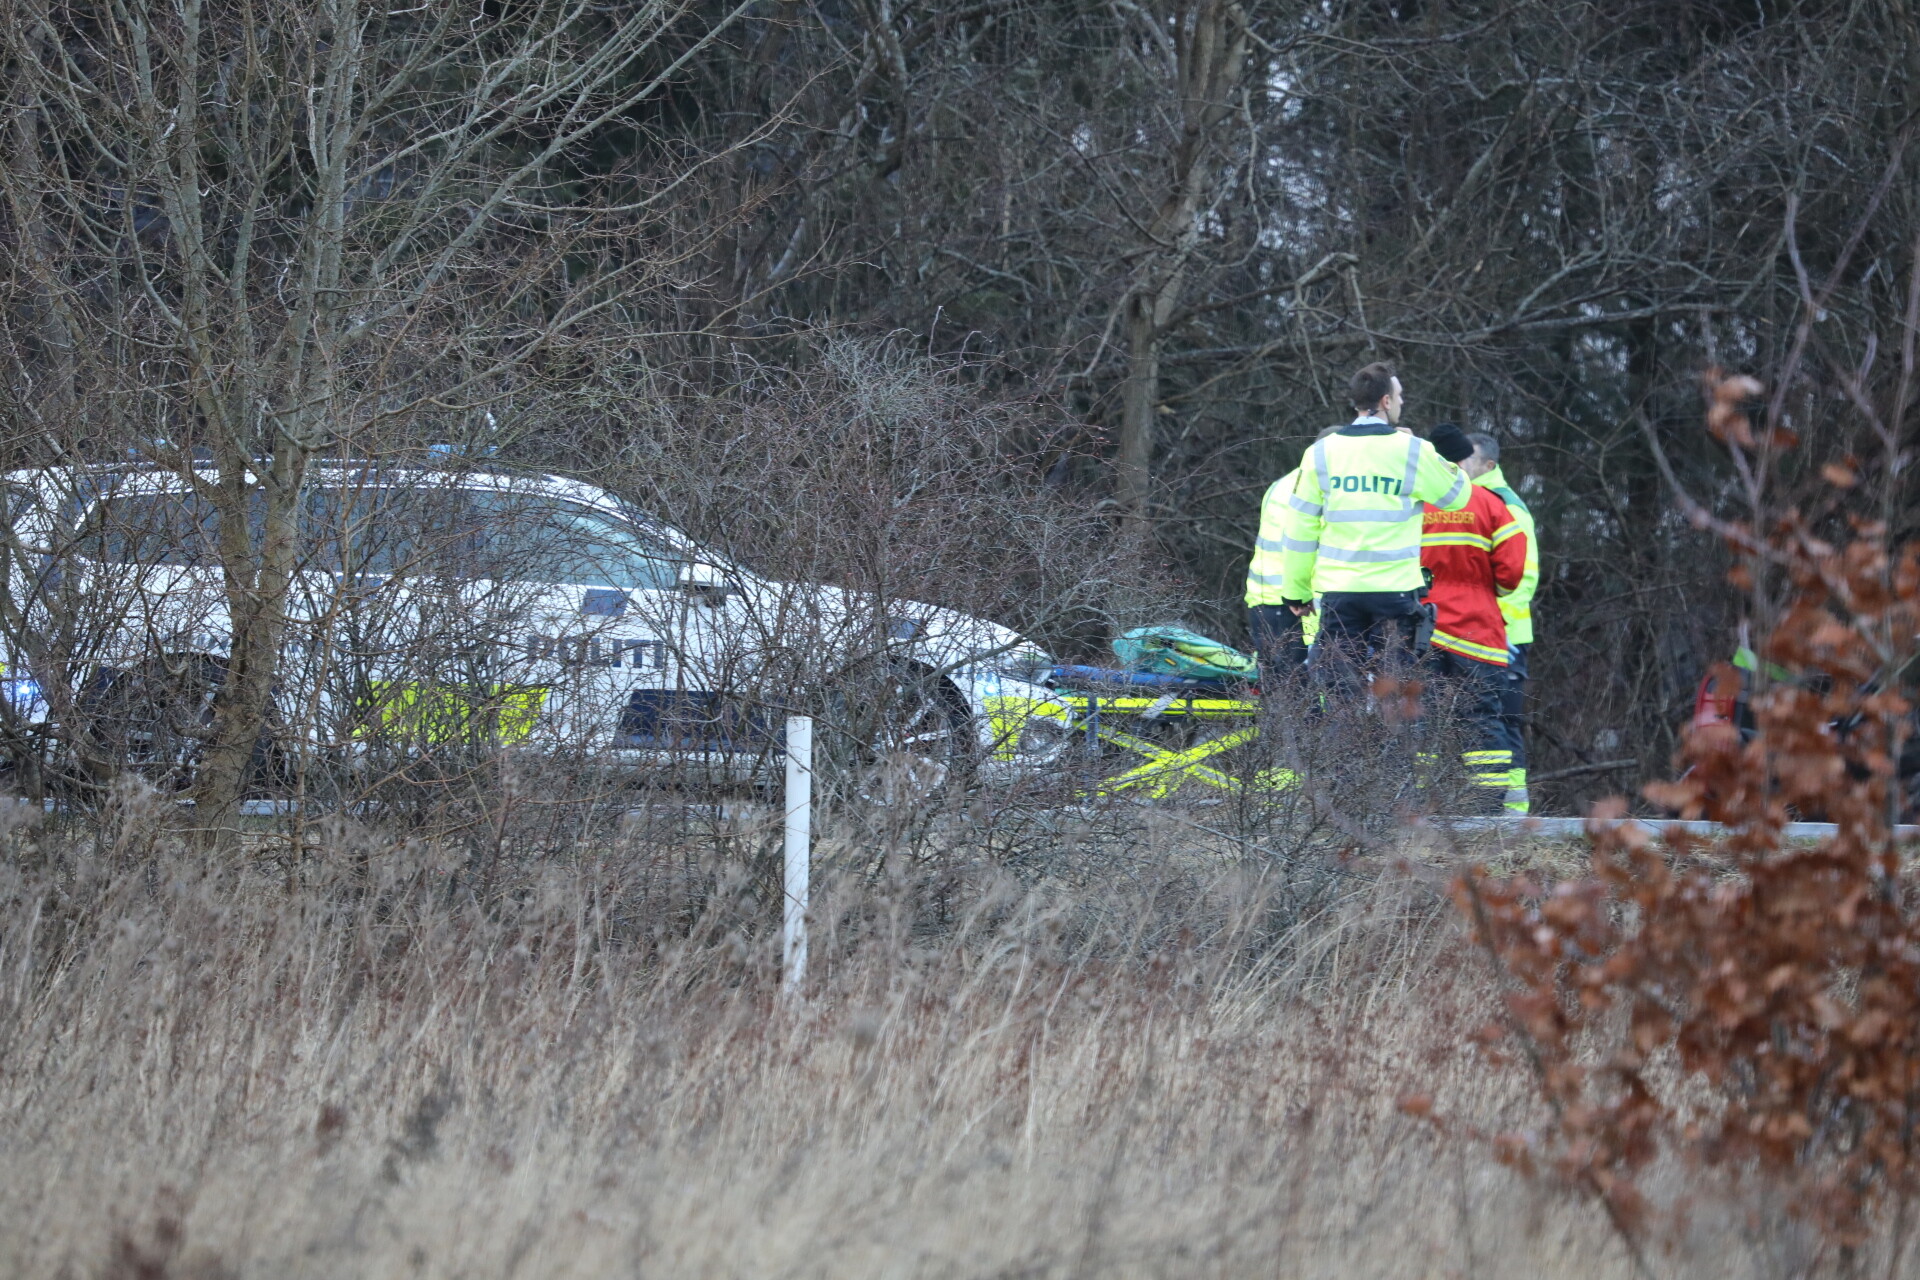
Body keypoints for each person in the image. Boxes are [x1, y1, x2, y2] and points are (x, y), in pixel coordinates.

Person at [1266, 361, 1471, 700]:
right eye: (1399, 396)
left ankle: (1344, 753)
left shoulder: (1320, 453)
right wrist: (1435, 454)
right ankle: (1396, 753)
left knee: (1340, 692)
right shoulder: (1412, 451)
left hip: (1339, 592)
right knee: (1397, 694)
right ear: (1386, 402)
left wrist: (1296, 592)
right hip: (1395, 592)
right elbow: (1458, 496)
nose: (1402, 403)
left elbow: (1299, 529)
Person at [1421, 426, 1529, 812]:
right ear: (1465, 460)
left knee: (1420, 721)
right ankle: (1487, 808)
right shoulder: (1490, 503)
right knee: (1483, 720)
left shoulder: (1413, 505)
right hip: (1477, 630)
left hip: (1421, 629)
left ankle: (1419, 809)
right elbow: (1513, 572)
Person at [1463, 432, 1538, 814]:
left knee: (1502, 719)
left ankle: (1511, 815)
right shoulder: (1477, 501)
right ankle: (1508, 812)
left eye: (1468, 458)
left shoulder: (1504, 505)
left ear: (1488, 466)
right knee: (1492, 717)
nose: (1460, 463)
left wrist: (1498, 627)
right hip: (1489, 632)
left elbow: (1521, 577)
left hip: (1504, 633)